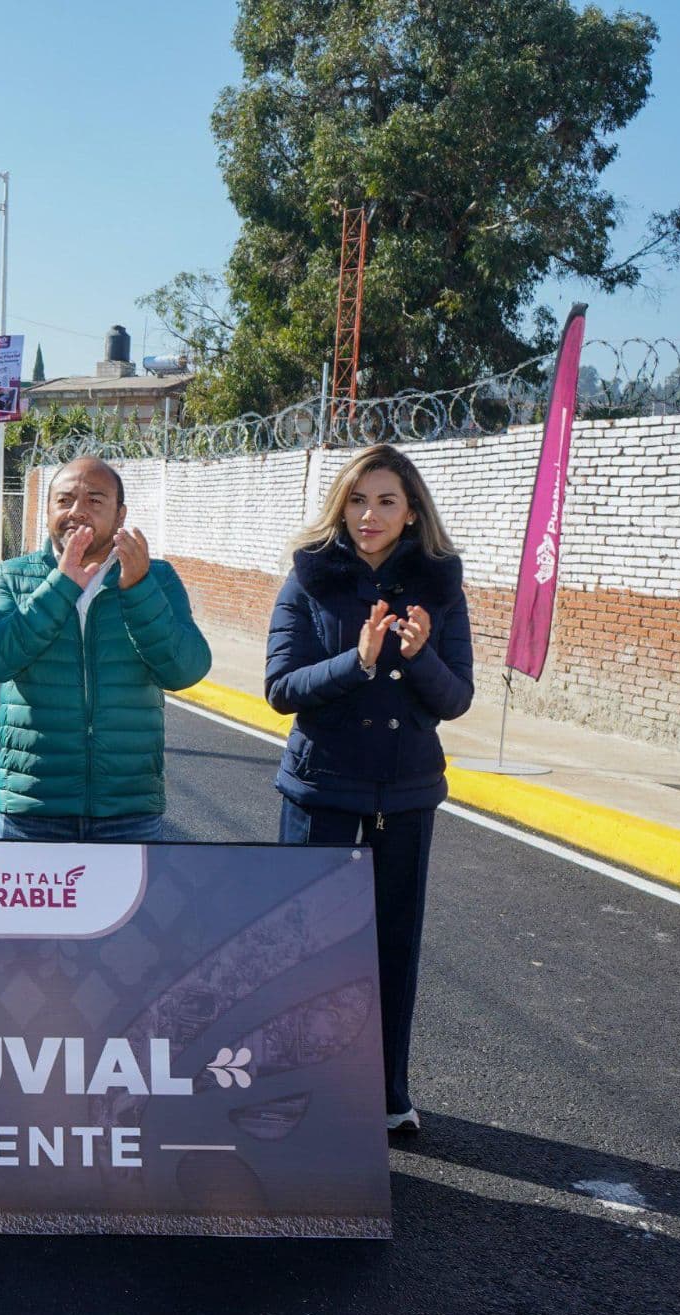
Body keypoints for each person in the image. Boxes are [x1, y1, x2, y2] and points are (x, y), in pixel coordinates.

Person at [264, 443, 474, 1136]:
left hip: (406, 794)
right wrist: (355, 661)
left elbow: (456, 700)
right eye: (357, 499)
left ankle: (386, 1094)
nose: (369, 515)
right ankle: (295, 1087)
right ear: (340, 506)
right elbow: (281, 689)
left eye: (386, 501)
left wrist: (419, 658)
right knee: (305, 951)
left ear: (412, 511)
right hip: (321, 789)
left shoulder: (440, 585)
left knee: (393, 949)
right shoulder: (310, 578)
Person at [0, 457, 211, 841]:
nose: (77, 511)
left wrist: (139, 590)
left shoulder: (155, 577)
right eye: (64, 500)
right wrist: (61, 585)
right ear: (46, 510)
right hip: (35, 808)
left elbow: (186, 669)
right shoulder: (12, 577)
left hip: (128, 810)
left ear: (120, 515)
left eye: (95, 501)